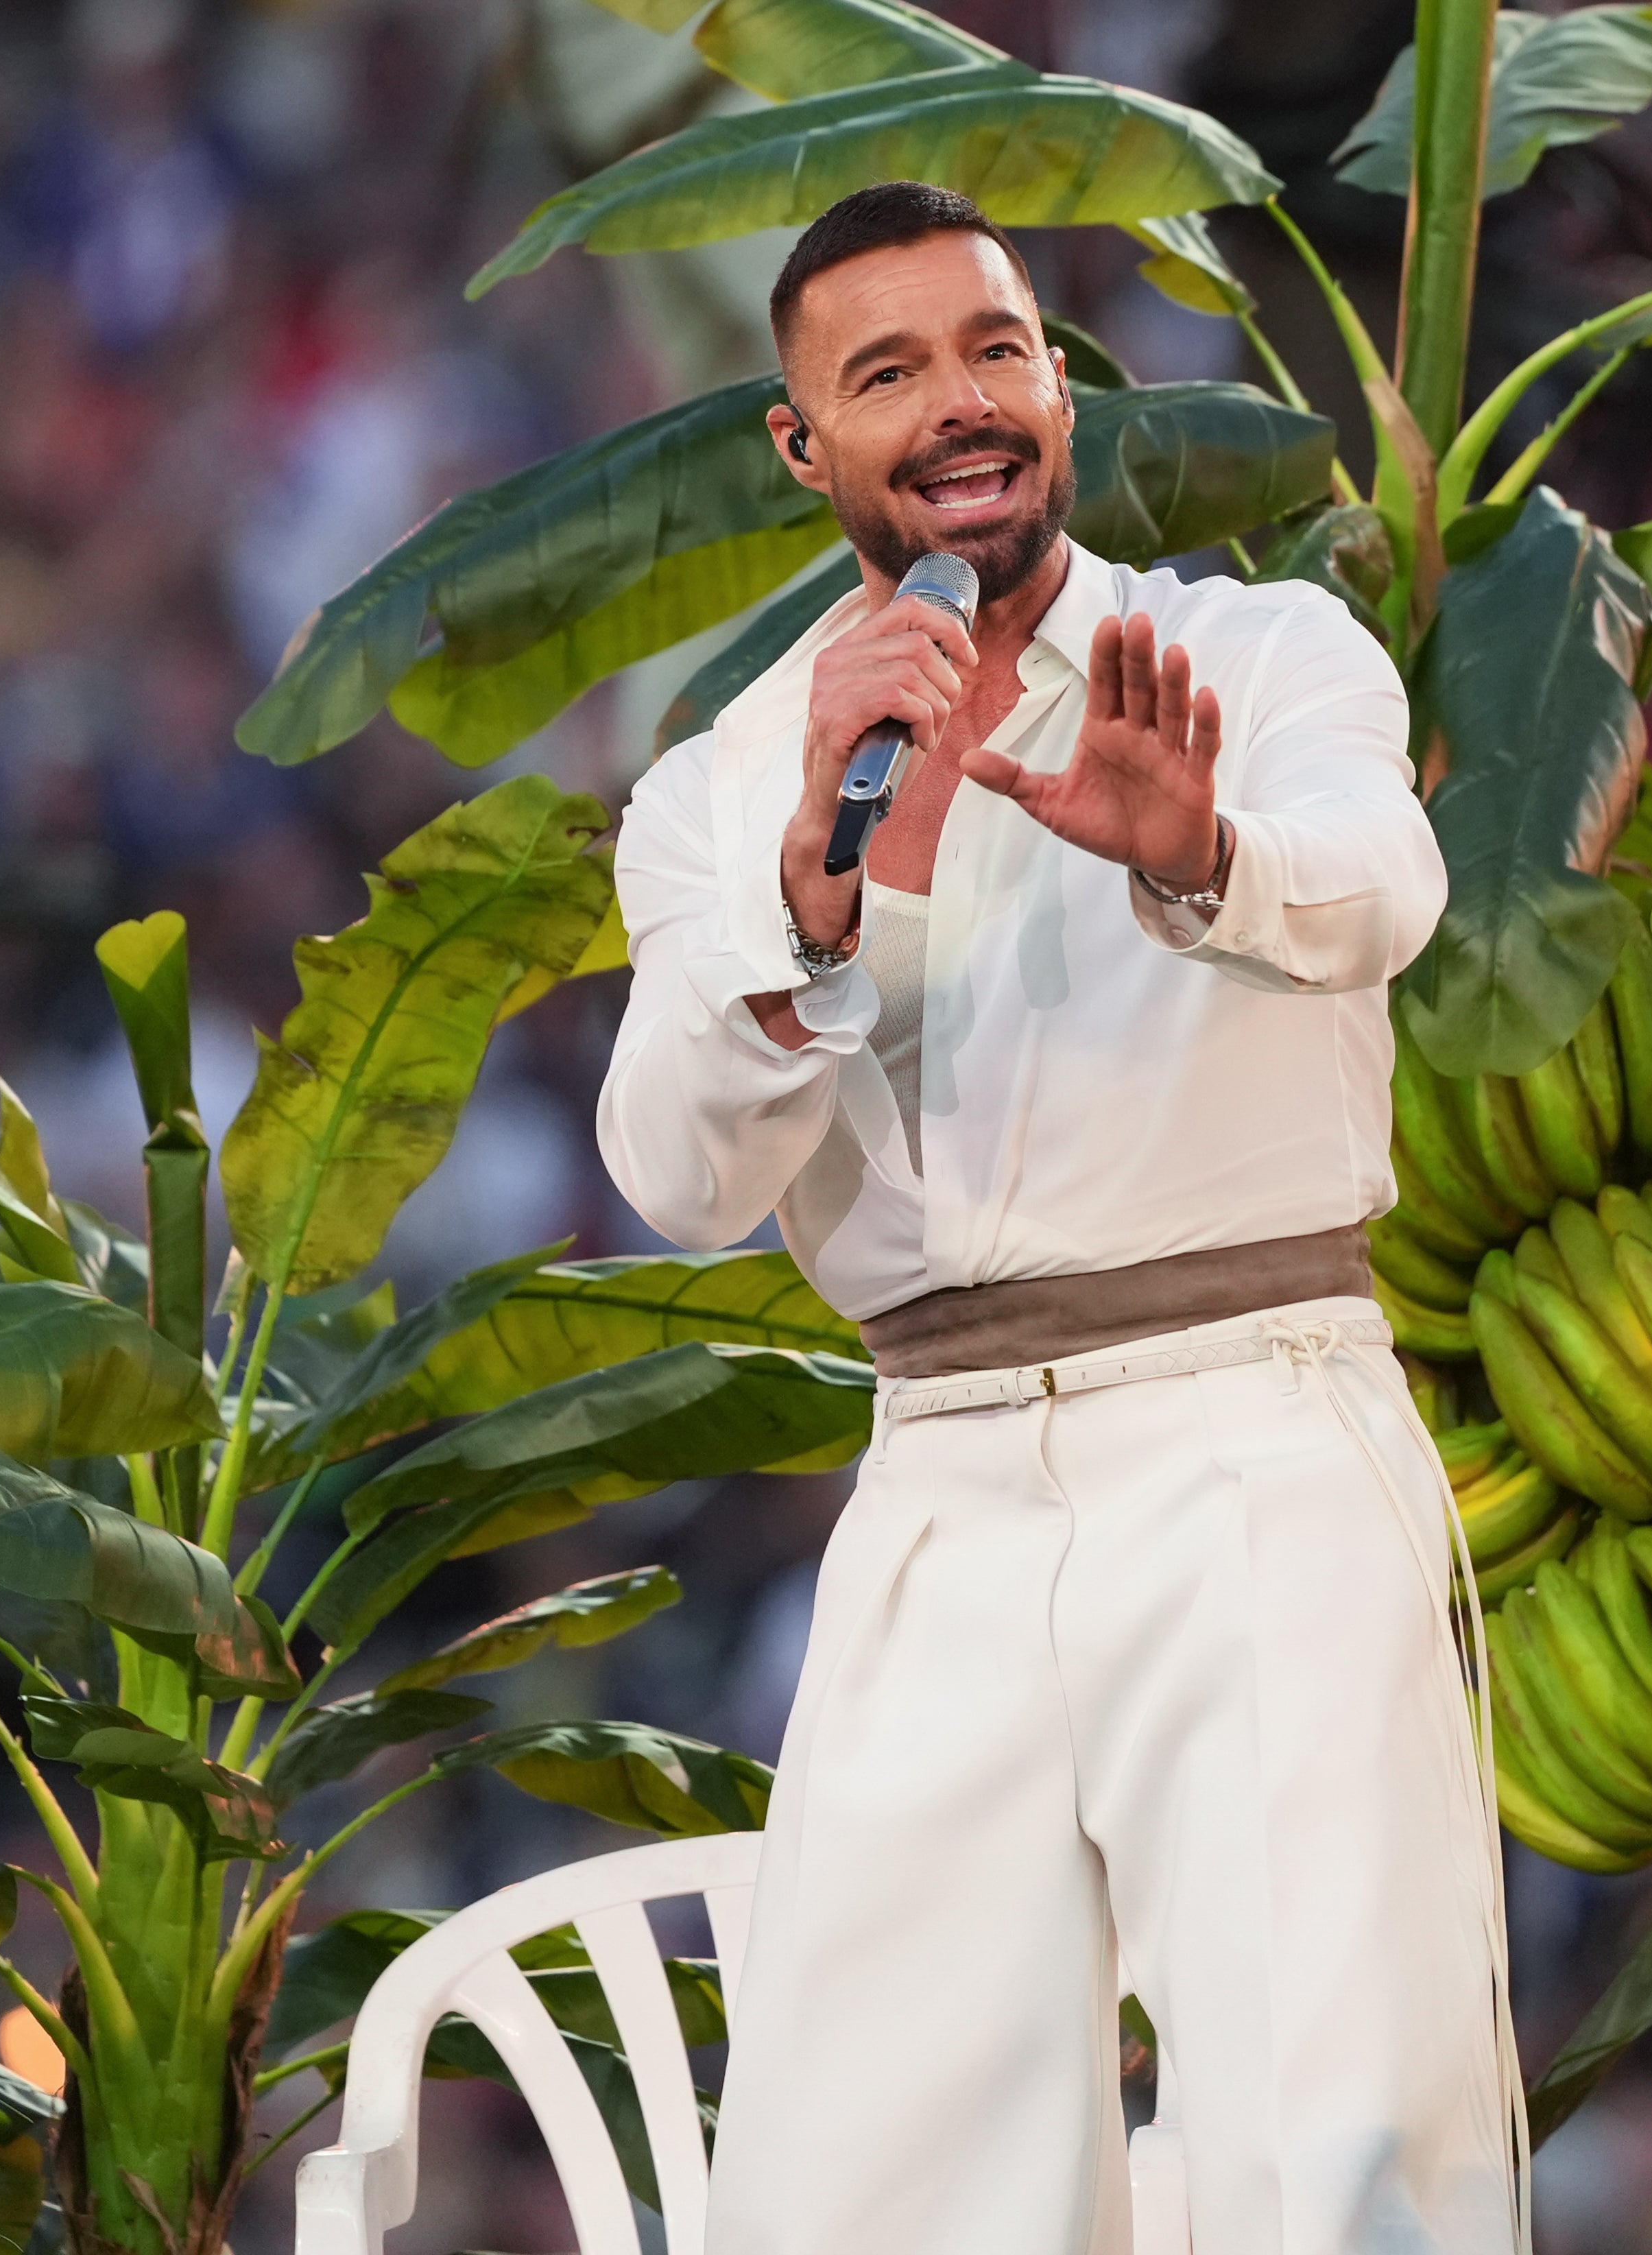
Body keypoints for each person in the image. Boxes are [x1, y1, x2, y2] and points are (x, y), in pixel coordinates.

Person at [597, 181, 1516, 2255]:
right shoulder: (728, 789)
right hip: (935, 1484)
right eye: (888, 372)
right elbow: (673, 1171)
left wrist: (1200, 851)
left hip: (1252, 1423)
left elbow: (1387, 887)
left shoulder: (1252, 653)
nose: (960, 407)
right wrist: (812, 892)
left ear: (1058, 383)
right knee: (878, 2173)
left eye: (996, 349)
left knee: (1341, 2126)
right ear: (800, 443)